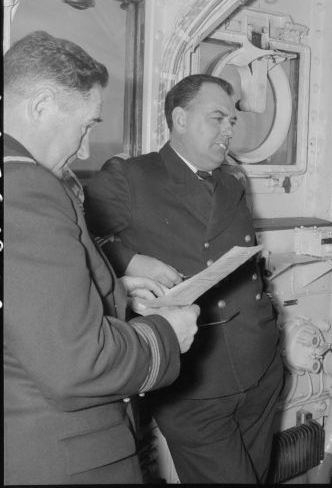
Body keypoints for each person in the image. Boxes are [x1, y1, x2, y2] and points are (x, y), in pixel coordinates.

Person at [4, 31, 200, 485]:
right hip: (59, 459)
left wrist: (102, 288)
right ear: (41, 106)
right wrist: (165, 334)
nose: (87, 149)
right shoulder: (25, 188)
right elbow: (78, 364)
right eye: (87, 125)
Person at [85, 74, 284, 483]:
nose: (230, 130)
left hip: (259, 364)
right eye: (218, 119)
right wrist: (130, 261)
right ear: (179, 118)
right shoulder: (130, 177)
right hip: (193, 379)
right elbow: (80, 243)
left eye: (232, 120)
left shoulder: (232, 181)